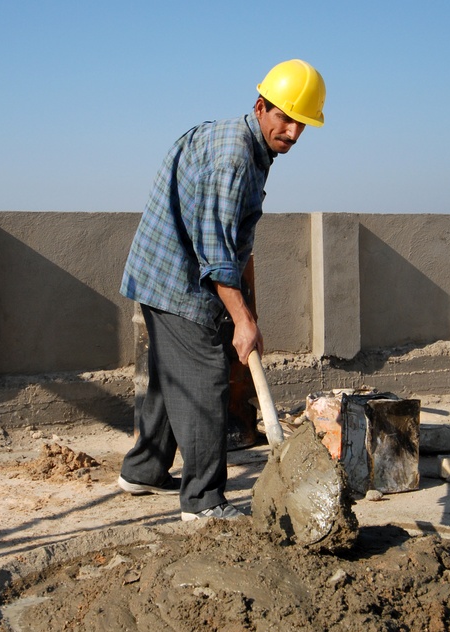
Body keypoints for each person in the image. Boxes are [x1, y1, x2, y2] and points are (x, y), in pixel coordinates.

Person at [116, 59, 327, 521]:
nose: (292, 132)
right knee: (205, 381)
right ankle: (203, 502)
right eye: (284, 118)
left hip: (160, 273)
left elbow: (237, 243)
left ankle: (144, 470)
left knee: (173, 379)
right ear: (260, 106)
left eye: (301, 124)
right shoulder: (233, 157)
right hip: (177, 281)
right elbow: (215, 250)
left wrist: (247, 315)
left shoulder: (252, 148)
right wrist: (242, 320)